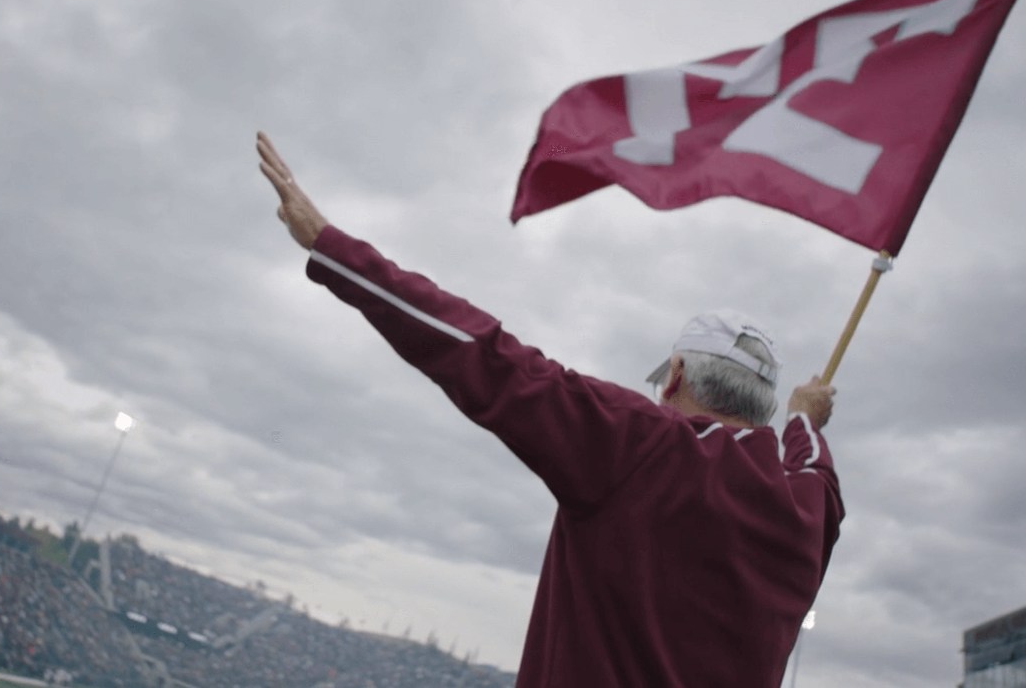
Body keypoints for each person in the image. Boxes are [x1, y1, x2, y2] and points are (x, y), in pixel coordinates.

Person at [257, 131, 843, 687]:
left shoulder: (642, 445)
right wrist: (800, 419)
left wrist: (331, 248)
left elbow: (484, 354)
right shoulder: (804, 514)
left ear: (677, 378)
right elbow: (813, 463)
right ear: (764, 407)